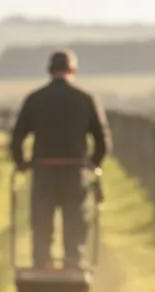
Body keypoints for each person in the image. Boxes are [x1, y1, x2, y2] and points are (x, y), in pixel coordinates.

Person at [9, 50, 111, 269]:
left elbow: (17, 137)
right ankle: (73, 265)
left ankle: (41, 265)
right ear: (72, 70)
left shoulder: (35, 99)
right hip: (74, 173)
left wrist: (22, 163)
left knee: (42, 223)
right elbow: (102, 140)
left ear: (49, 71)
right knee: (75, 224)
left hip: (43, 172)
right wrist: (93, 163)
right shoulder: (85, 99)